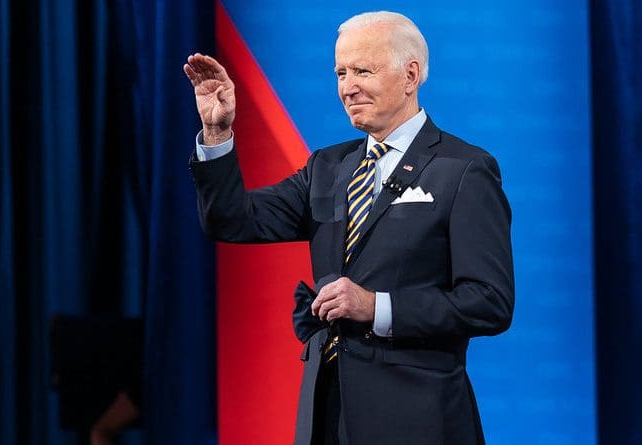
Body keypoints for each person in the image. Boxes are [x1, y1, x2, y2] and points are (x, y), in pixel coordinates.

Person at [184, 10, 513, 445]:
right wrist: (217, 131)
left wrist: (376, 306)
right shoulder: (328, 166)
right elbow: (233, 219)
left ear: (410, 75)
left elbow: (488, 302)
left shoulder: (463, 170)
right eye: (340, 72)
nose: (347, 86)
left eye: (363, 70)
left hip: (418, 419)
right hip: (329, 412)